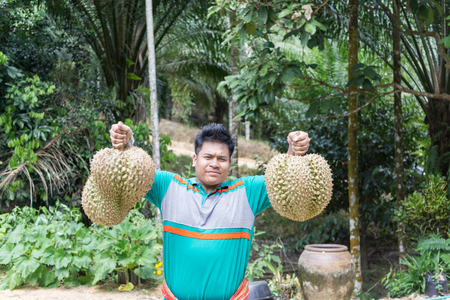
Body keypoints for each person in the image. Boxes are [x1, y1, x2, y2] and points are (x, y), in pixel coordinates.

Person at [109, 122, 310, 300]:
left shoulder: (247, 192)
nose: (215, 163)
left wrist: (293, 150)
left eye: (222, 159)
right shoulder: (168, 187)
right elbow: (134, 170)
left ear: (229, 164)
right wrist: (126, 143)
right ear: (195, 159)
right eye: (208, 156)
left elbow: (283, 180)